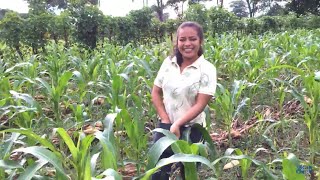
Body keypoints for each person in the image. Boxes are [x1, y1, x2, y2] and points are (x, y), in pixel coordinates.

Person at [151, 21, 217, 180]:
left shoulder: (207, 69)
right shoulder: (168, 63)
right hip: (166, 126)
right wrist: (166, 121)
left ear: (200, 41)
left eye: (193, 39)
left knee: (188, 174)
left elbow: (201, 104)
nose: (187, 44)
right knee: (158, 172)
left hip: (192, 130)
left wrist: (177, 124)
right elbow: (155, 92)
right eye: (182, 39)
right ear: (177, 42)